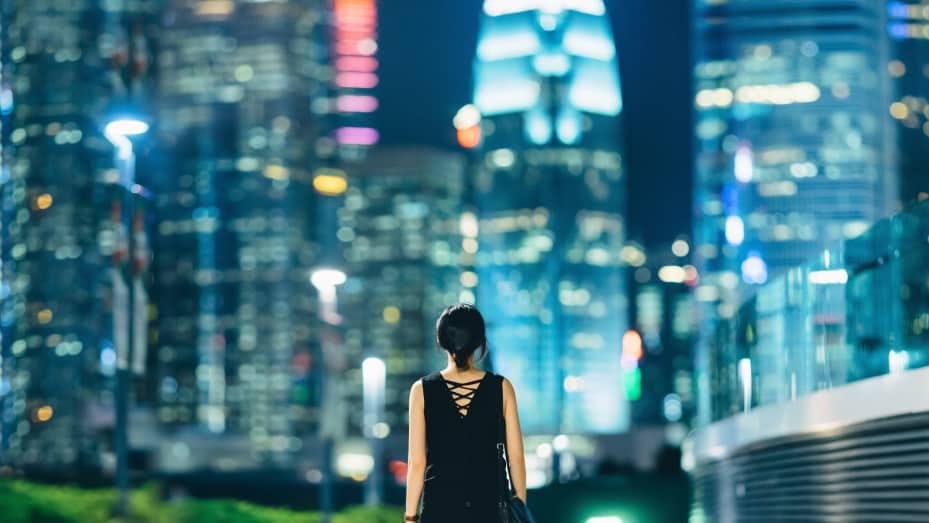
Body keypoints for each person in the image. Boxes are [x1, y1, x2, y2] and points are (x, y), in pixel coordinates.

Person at [404, 303, 528, 523]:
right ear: (479, 341)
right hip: (490, 508)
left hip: (439, 508)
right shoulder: (501, 387)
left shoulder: (421, 389)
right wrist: (519, 509)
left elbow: (416, 463)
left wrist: (410, 517)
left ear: (441, 340)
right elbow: (515, 458)